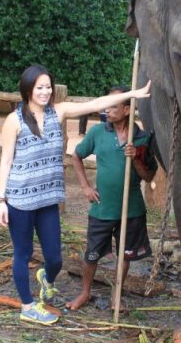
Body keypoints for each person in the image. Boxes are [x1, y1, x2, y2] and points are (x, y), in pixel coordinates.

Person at [0, 65, 150, 325]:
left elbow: (97, 102)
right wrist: (1, 200)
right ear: (28, 90)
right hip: (20, 200)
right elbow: (5, 162)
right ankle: (28, 305)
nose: (45, 92)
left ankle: (46, 278)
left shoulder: (59, 112)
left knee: (55, 258)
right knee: (22, 253)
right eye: (39, 88)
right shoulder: (15, 120)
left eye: (48, 87)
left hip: (48, 199)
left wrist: (133, 93)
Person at [67, 86, 157, 311]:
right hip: (102, 207)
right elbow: (76, 156)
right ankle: (85, 293)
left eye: (113, 106)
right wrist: (86, 187)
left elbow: (148, 175)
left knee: (124, 254)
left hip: (131, 208)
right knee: (92, 254)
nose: (107, 109)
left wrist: (135, 158)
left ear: (127, 109)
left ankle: (116, 296)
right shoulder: (98, 132)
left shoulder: (141, 138)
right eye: (106, 104)